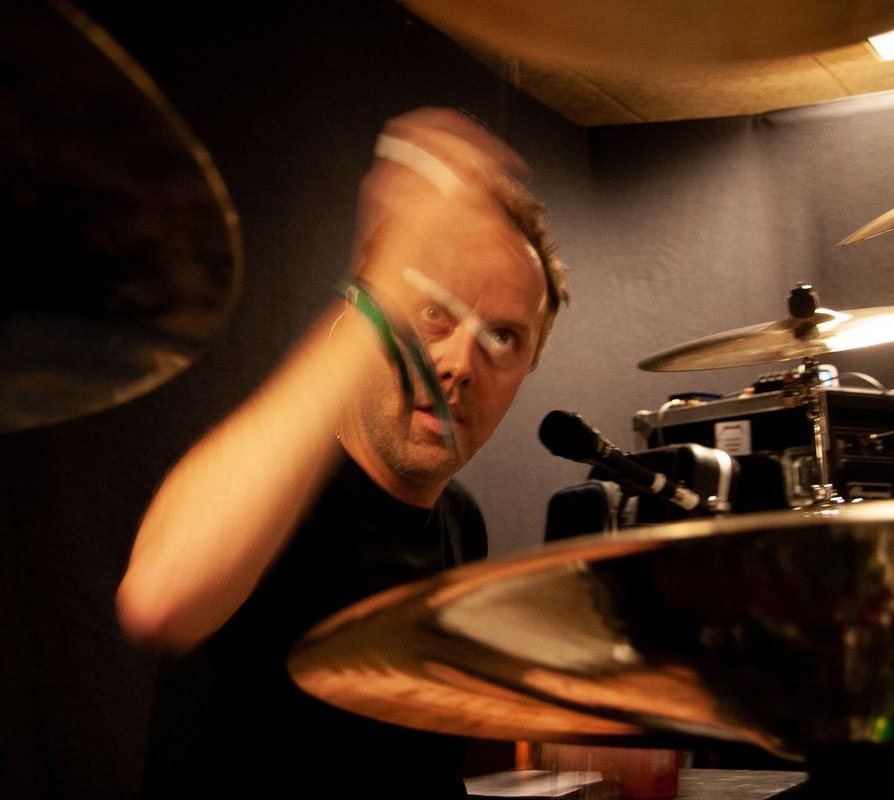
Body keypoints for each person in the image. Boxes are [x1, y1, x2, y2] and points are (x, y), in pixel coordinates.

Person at [117, 107, 569, 798]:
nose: (457, 363)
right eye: (434, 312)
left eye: (502, 337)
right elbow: (160, 599)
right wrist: (385, 279)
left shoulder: (461, 523)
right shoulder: (277, 488)